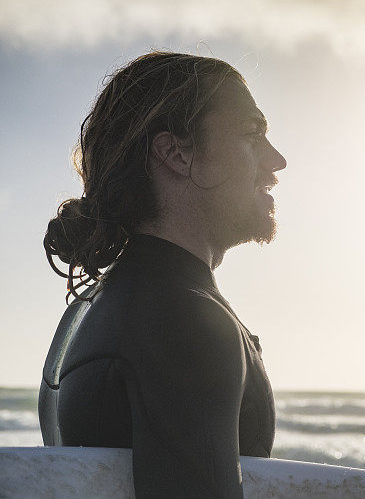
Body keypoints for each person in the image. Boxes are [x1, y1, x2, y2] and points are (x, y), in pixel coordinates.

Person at [38, 51, 287, 498]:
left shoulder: (83, 314)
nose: (277, 160)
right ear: (175, 152)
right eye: (253, 134)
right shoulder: (183, 319)